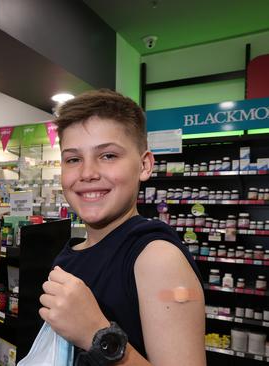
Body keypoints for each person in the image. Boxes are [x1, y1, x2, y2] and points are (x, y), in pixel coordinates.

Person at [38, 89, 205, 365]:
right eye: (73, 159)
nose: (87, 173)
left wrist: (97, 334)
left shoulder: (157, 259)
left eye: (108, 156)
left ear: (144, 165)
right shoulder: (73, 252)